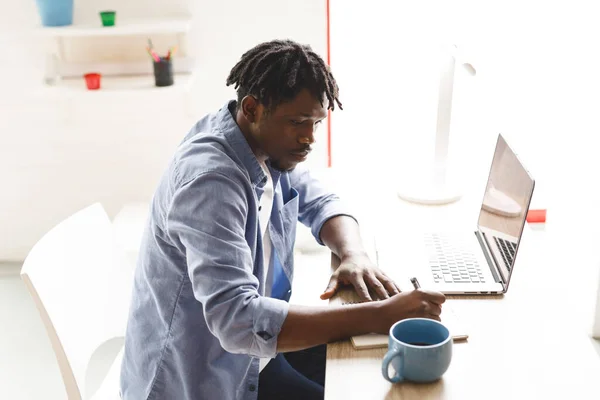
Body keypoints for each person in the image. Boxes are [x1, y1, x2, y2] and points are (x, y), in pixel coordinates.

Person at [120, 39, 445, 400]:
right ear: (252, 108)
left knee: (368, 371)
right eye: (297, 122)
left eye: (316, 123)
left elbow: (320, 200)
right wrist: (377, 314)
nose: (309, 138)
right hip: (205, 381)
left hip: (252, 357)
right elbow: (238, 321)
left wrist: (355, 255)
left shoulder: (261, 143)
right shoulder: (210, 181)